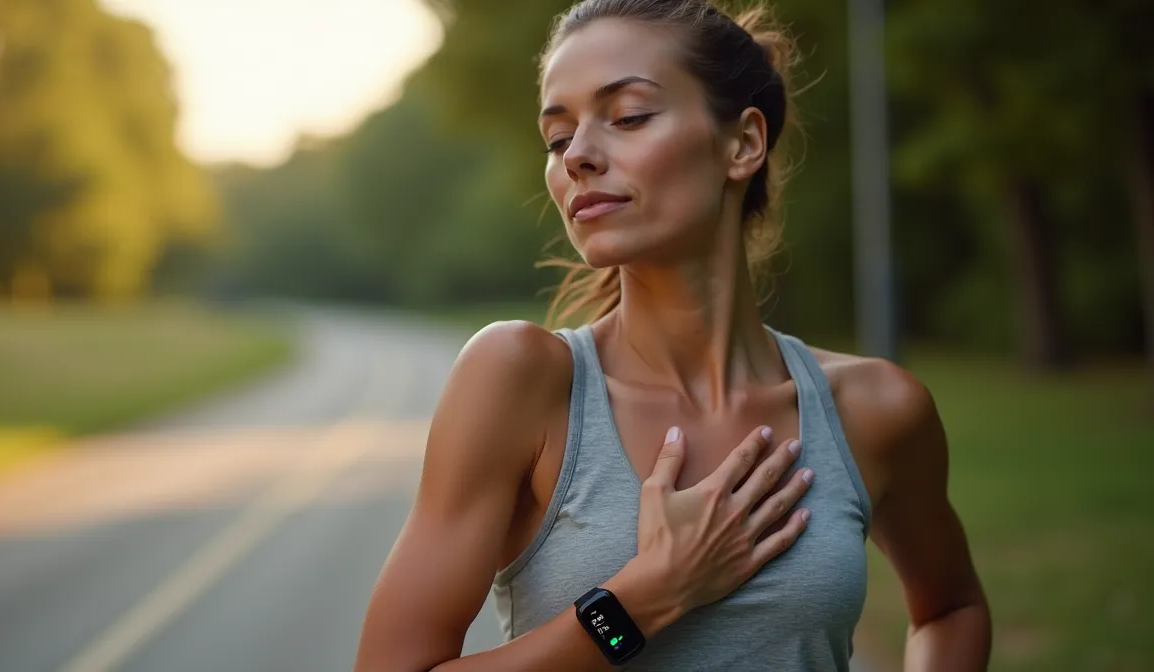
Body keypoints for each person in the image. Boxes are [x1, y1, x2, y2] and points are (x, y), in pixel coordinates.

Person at [355, 0, 992, 669]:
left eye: (628, 116)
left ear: (743, 143)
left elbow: (952, 609)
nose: (577, 156)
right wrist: (644, 599)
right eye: (557, 137)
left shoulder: (876, 411)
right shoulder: (519, 379)